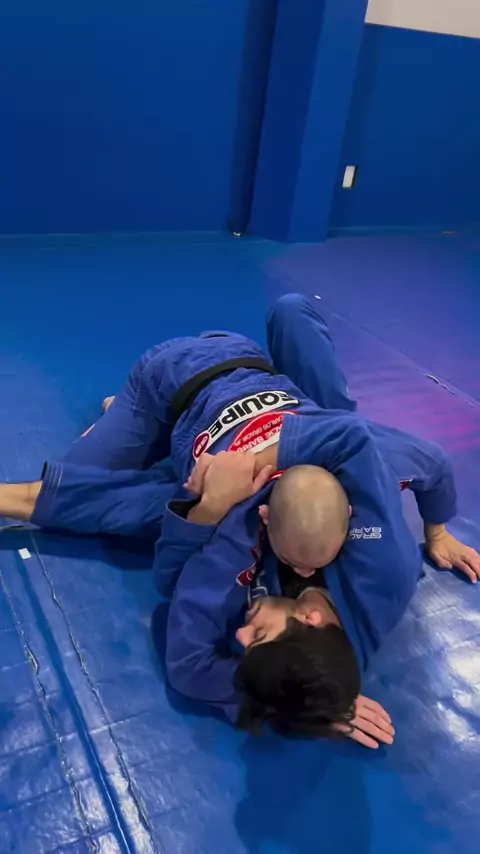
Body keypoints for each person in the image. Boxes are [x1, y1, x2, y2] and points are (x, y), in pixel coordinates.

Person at [1, 295, 478, 742]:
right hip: (176, 377)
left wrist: (300, 699)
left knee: (149, 505)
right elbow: (420, 458)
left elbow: (187, 654)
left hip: (212, 443)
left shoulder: (246, 553)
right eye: (261, 635)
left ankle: (138, 435)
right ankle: (133, 420)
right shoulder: (375, 552)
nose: (241, 633)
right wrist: (437, 532)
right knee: (293, 310)